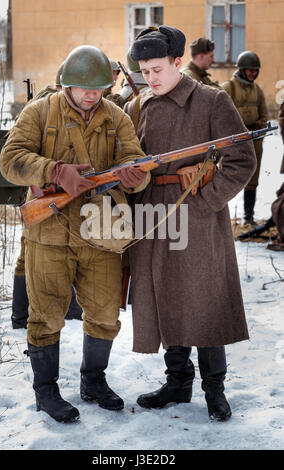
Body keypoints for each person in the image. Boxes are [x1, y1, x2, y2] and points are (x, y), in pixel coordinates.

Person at [0, 45, 149, 423]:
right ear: (66, 83)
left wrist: (135, 175)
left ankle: (93, 381)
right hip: (48, 235)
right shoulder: (41, 112)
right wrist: (54, 171)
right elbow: (10, 160)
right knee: (46, 315)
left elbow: (134, 162)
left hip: (100, 234)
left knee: (103, 315)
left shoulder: (117, 118)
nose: (91, 95)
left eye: (98, 88)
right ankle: (46, 391)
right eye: (84, 88)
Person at [124, 25, 256, 421]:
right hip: (153, 215)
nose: (151, 78)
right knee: (166, 297)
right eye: (145, 71)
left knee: (204, 299)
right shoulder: (137, 106)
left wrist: (206, 201)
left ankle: (214, 388)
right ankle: (177, 382)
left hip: (197, 215)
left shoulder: (212, 101)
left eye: (158, 69)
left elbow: (242, 160)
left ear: (178, 63)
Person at [11, 61, 83, 330]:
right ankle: (23, 316)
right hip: (43, 190)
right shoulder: (44, 109)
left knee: (29, 254)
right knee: (28, 254)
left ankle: (23, 314)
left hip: (45, 190)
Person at [222, 51, 268, 225]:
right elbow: (222, 115)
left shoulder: (258, 90)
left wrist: (260, 128)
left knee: (252, 181)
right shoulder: (228, 88)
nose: (253, 74)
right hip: (234, 142)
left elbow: (264, 115)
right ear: (241, 69)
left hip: (254, 141)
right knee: (228, 178)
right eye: (249, 71)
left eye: (255, 71)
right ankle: (224, 218)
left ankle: (248, 218)